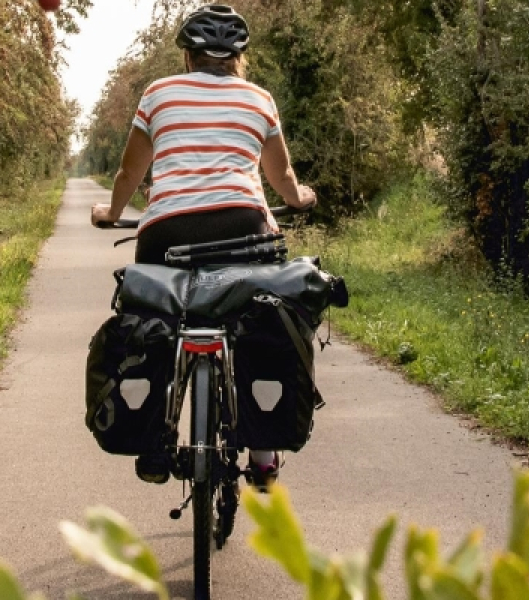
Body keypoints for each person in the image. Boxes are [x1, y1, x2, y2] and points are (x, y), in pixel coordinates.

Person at [90, 4, 316, 487]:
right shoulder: (260, 100)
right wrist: (300, 199)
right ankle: (261, 456)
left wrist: (110, 213)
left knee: (161, 323)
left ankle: (155, 439)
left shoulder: (158, 94)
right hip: (245, 229)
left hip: (165, 234)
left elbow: (131, 172)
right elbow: (281, 175)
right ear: (239, 59)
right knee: (255, 324)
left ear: (189, 57)